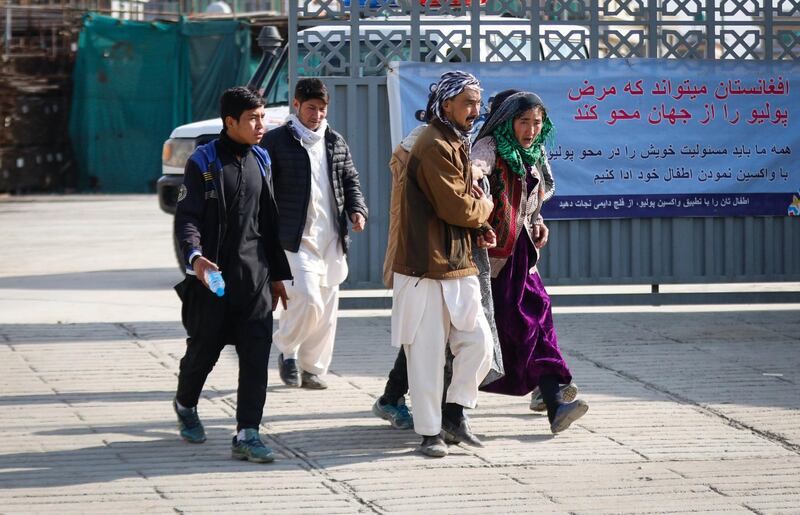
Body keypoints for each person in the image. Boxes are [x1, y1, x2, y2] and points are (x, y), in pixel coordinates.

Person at [172, 86, 292, 463]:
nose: (262, 125)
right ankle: (186, 403)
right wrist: (196, 259)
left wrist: (276, 275)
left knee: (256, 357)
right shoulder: (203, 162)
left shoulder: (262, 159)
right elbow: (187, 218)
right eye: (253, 119)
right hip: (214, 281)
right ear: (230, 122)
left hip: (255, 280)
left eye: (262, 117)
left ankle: (247, 433)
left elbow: (269, 223)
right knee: (203, 352)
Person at [391, 70, 496, 457]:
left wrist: (480, 226)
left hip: (457, 264)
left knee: (479, 344)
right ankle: (430, 433)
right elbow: (455, 205)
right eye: (467, 102)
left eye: (477, 102)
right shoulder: (433, 143)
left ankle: (454, 413)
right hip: (424, 269)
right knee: (426, 356)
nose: (475, 110)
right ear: (447, 103)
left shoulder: (455, 141)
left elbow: (460, 207)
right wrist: (486, 208)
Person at [472, 89, 588, 433]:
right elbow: (476, 167)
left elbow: (534, 200)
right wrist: (475, 175)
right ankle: (401, 392)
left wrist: (537, 222)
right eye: (524, 122)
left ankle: (551, 398)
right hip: (492, 256)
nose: (531, 129)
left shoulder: (534, 152)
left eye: (537, 122)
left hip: (522, 253)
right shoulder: (490, 146)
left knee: (537, 315)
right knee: (486, 330)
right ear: (508, 121)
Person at [262, 78, 368, 390]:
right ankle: (286, 349)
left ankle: (312, 368)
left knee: (326, 308)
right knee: (308, 299)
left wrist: (357, 210)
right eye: (311, 108)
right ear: (296, 105)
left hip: (331, 237)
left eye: (322, 109)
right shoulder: (277, 142)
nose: (317, 115)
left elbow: (351, 180)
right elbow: (263, 189)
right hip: (293, 238)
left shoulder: (334, 141)